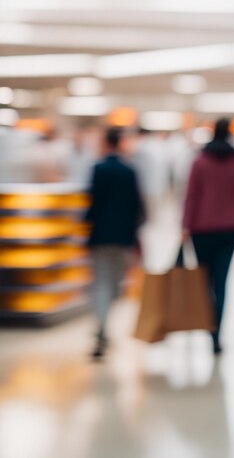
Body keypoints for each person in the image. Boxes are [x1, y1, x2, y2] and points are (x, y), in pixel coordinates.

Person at [182, 118, 234, 354]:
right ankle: (218, 333)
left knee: (204, 282)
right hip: (232, 227)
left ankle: (209, 327)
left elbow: (191, 196)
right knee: (222, 281)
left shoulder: (199, 161)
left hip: (201, 229)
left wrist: (185, 225)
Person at [85, 128, 144, 360]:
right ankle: (104, 325)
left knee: (100, 281)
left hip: (100, 235)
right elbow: (136, 208)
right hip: (122, 237)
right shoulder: (129, 171)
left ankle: (101, 326)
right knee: (115, 282)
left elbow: (93, 203)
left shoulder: (97, 169)